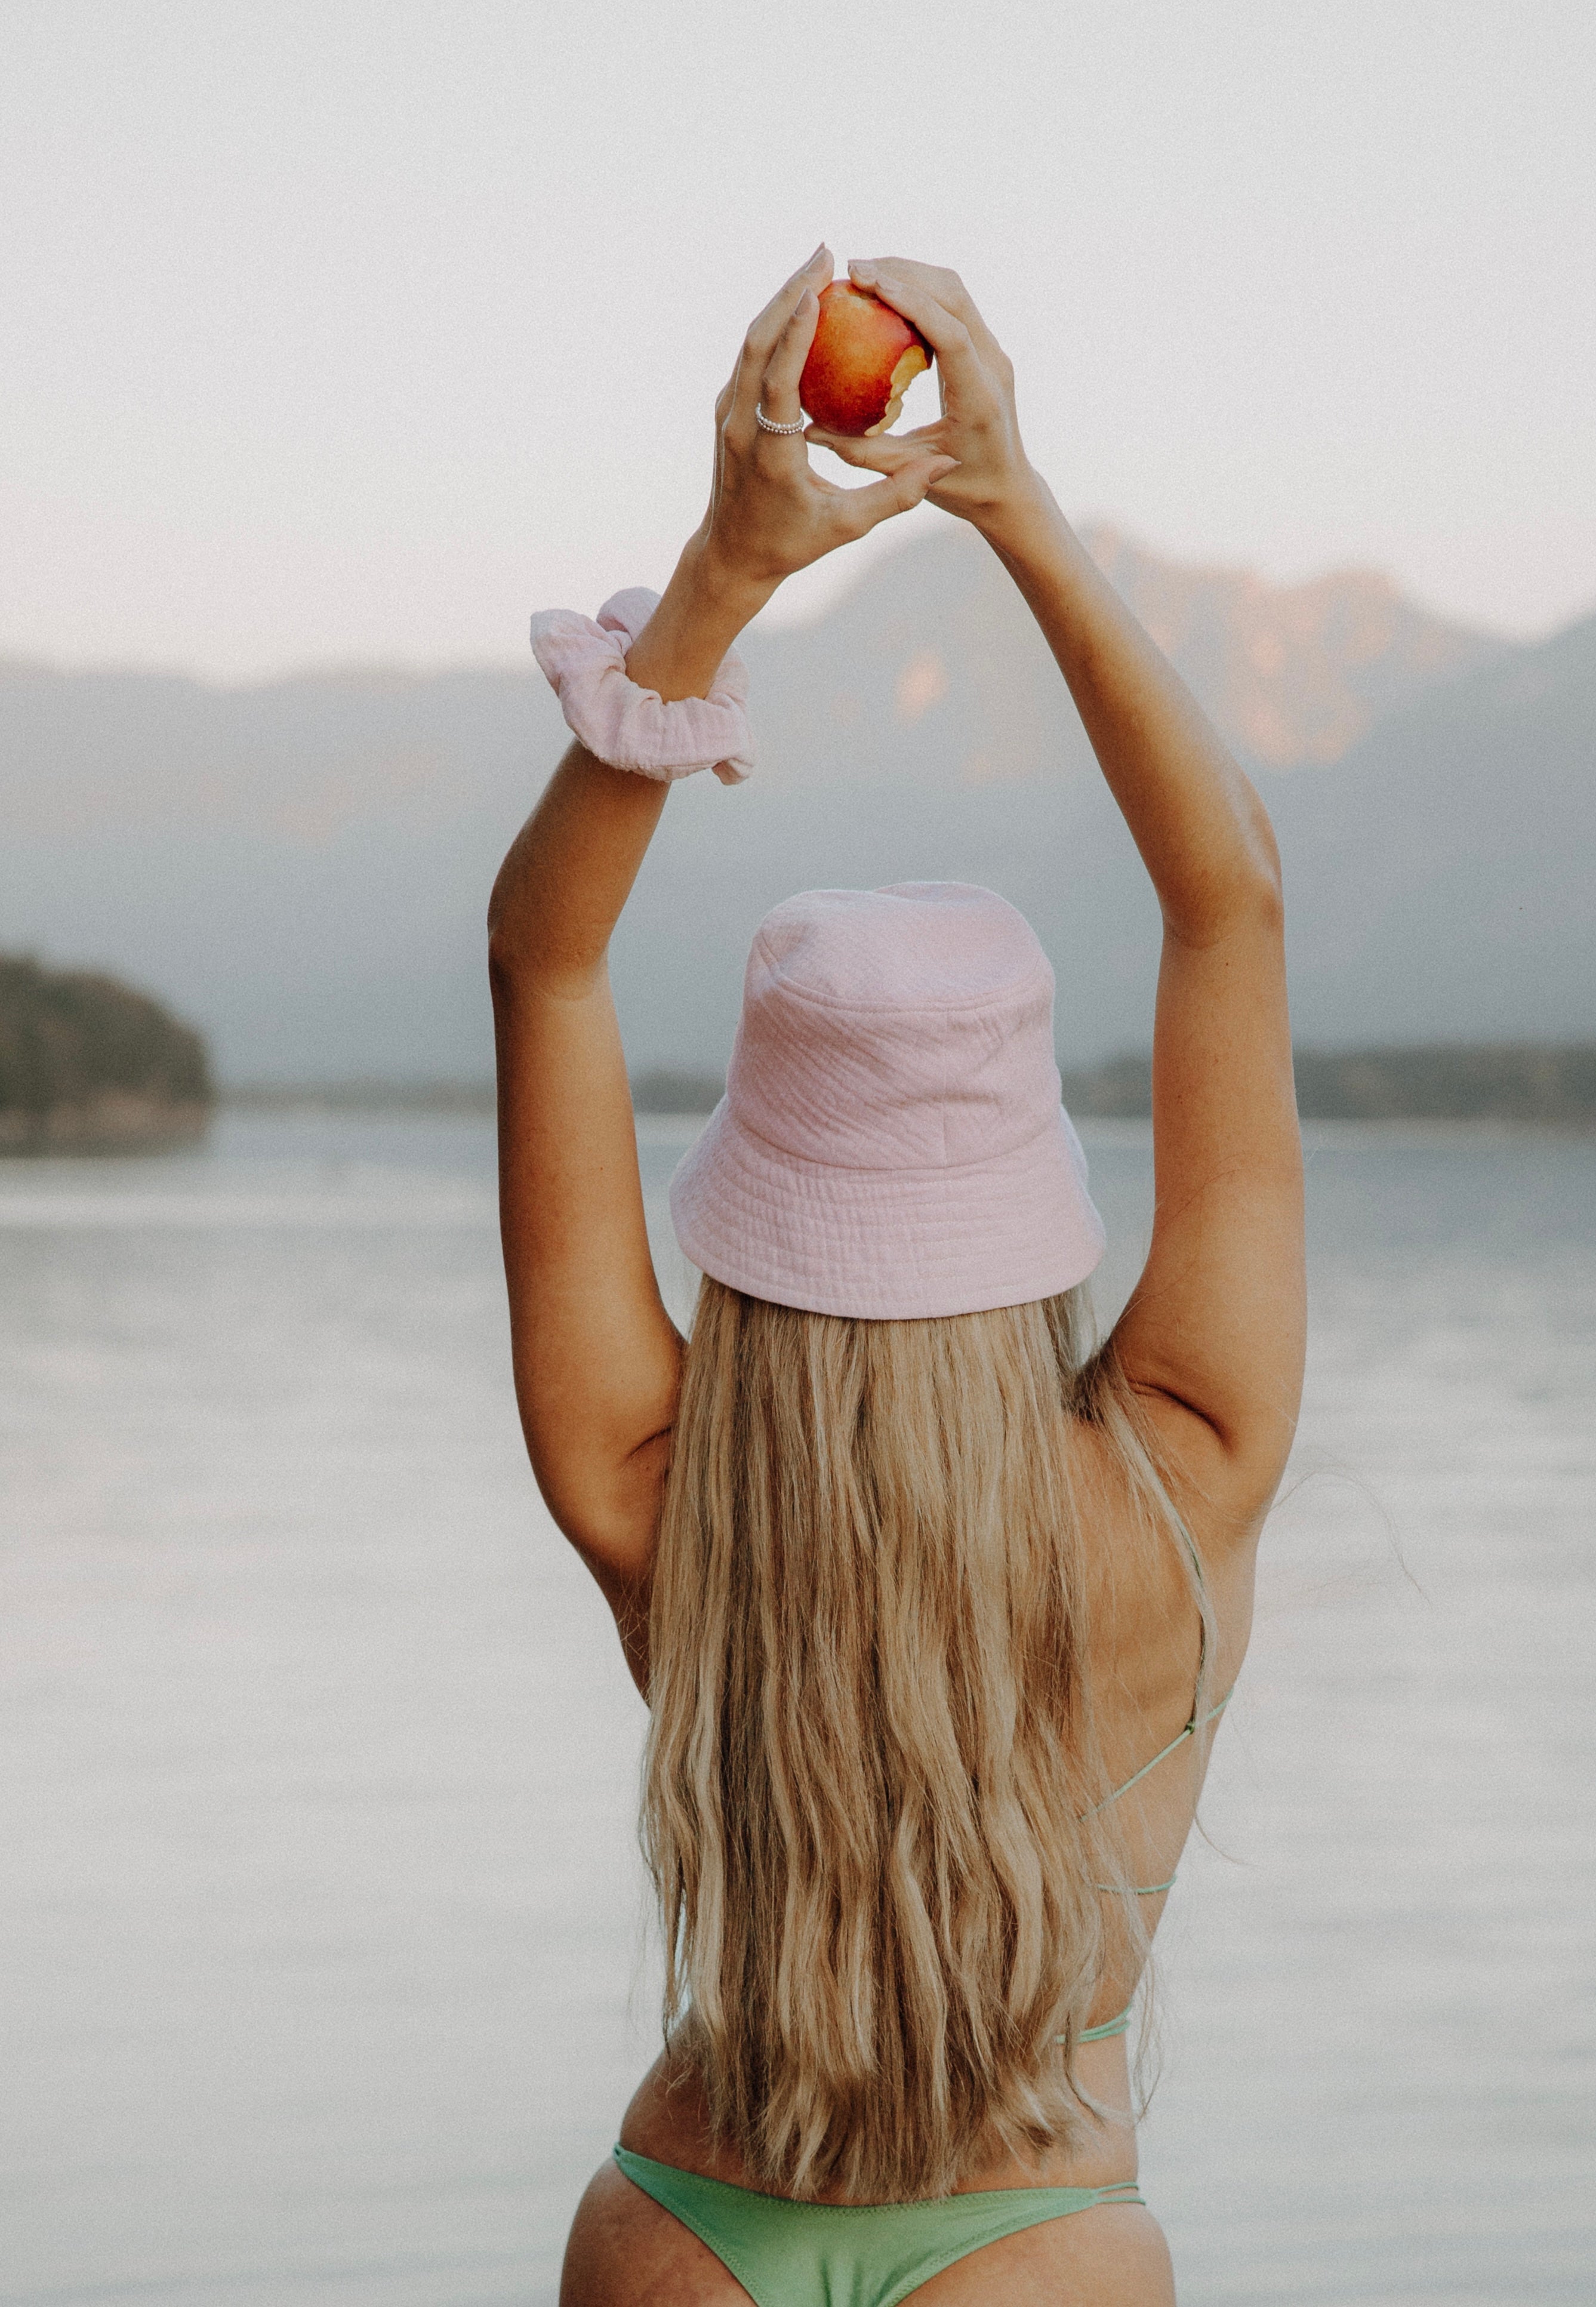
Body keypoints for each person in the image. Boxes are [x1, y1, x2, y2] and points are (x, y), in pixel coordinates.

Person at [488, 247, 1305, 2307]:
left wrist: (722, 574)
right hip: (1039, 2238)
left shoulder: (657, 1495)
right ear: (1029, 1204)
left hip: (679, 2227)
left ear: (756, 1205)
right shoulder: (1181, 1482)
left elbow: (545, 956)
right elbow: (1232, 904)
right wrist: (1011, 499)